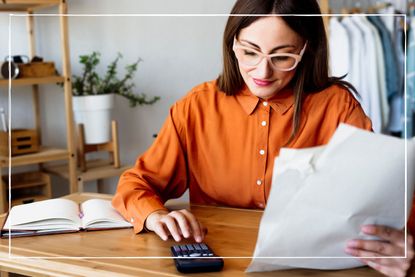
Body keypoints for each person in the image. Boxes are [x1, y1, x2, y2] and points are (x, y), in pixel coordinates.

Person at [112, 0, 414, 275]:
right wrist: (154, 215)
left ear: (307, 51)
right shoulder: (196, 106)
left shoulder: (338, 107)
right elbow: (137, 183)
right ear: (232, 44)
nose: (263, 71)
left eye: (283, 57)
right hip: (218, 266)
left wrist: (406, 244)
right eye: (249, 52)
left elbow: (385, 198)